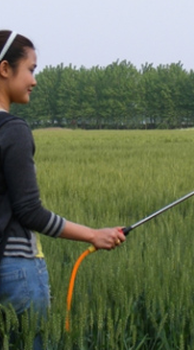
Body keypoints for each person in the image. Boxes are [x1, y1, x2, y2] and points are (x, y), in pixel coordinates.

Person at [0, 30, 126, 349]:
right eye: (31, 69)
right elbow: (30, 212)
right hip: (15, 272)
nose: (34, 80)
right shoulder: (13, 131)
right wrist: (93, 235)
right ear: (4, 69)